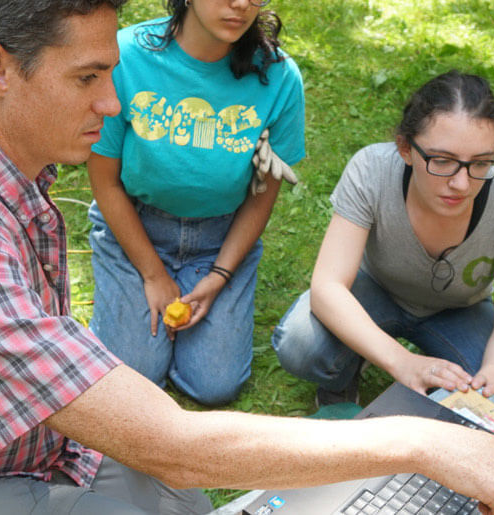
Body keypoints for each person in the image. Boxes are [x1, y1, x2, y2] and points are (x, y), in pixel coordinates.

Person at [0, 2, 494, 514]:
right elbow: (173, 439)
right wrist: (423, 441)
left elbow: (168, 448)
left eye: (109, 73)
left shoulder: (1, 167)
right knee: (176, 461)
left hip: (27, 445)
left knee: (184, 490)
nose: (112, 104)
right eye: (87, 78)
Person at [273, 70, 494, 421]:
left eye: (481, 163)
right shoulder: (372, 170)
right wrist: (401, 362)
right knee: (300, 344)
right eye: (442, 160)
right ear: (405, 148)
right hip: (375, 289)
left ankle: (449, 403)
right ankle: (349, 369)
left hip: (460, 310)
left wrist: (489, 383)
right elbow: (328, 287)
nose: (461, 183)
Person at [85, 0, 305, 406]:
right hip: (135, 228)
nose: (241, 4)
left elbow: (261, 199)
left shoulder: (278, 75)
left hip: (218, 240)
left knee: (215, 385)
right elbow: (105, 183)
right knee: (134, 379)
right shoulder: (127, 56)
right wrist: (152, 274)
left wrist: (220, 275)